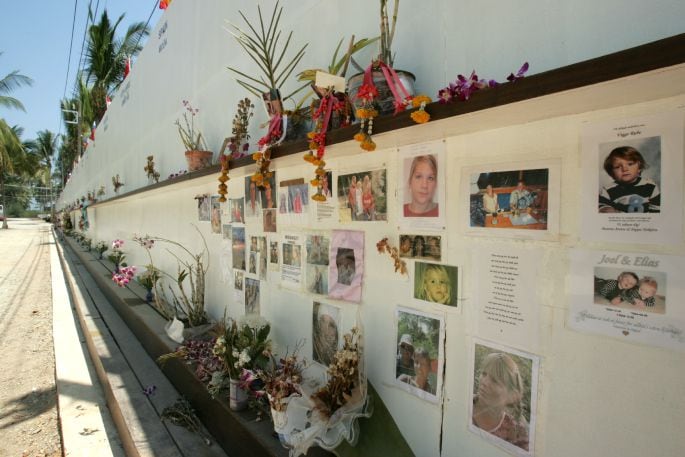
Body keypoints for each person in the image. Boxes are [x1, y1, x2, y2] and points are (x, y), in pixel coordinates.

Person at [472, 352, 529, 451]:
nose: (484, 382)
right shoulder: (462, 403)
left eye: (494, 380)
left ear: (512, 396)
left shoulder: (516, 430)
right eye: (484, 374)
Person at [599, 146, 660, 213]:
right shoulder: (607, 190)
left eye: (630, 164)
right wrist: (606, 209)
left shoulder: (650, 186)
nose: (625, 169)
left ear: (639, 168)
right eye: (617, 167)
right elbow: (601, 206)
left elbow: (657, 210)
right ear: (612, 172)